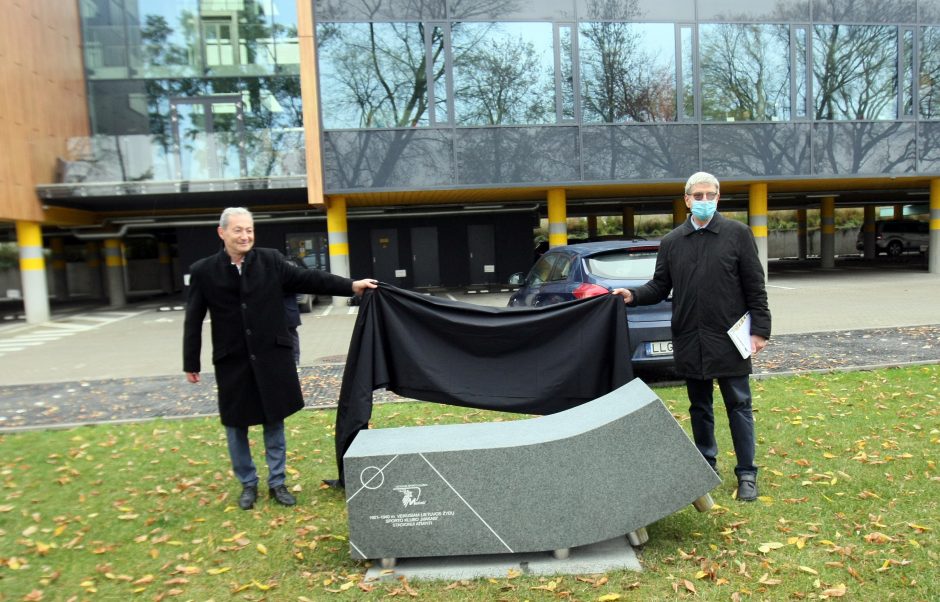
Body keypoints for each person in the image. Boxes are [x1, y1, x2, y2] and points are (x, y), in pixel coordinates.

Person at [183, 207, 377, 510]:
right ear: (222, 233)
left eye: (249, 229)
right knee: (236, 426)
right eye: (238, 230)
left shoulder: (270, 260)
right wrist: (190, 362)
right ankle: (248, 484)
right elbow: (193, 319)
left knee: (274, 421)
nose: (245, 235)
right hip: (232, 361)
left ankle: (277, 482)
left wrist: (351, 285)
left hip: (272, 356)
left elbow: (309, 278)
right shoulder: (204, 271)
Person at [612, 172, 771, 502]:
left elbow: (755, 287)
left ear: (718, 197)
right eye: (697, 196)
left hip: (730, 338)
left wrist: (760, 331)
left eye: (709, 195)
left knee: (739, 404)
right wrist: (633, 295)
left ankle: (746, 474)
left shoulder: (738, 235)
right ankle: (706, 466)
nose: (703, 201)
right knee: (699, 407)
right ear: (686, 200)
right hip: (689, 338)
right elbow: (659, 286)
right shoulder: (672, 242)